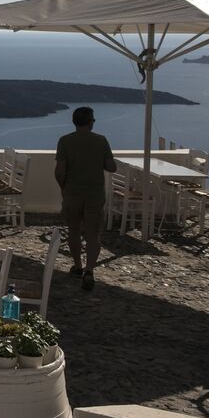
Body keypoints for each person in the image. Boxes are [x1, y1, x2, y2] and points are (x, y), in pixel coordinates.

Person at [54, 106, 116, 291]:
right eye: (93, 119)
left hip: (72, 193)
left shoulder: (65, 141)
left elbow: (59, 171)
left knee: (73, 230)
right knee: (93, 234)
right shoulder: (101, 141)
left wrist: (64, 188)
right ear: (90, 122)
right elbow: (111, 167)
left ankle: (77, 265)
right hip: (94, 194)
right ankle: (89, 270)